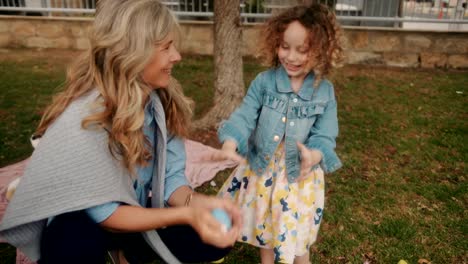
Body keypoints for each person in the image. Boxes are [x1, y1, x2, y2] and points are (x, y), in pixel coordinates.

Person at [0, 0, 242, 263]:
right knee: (70, 238)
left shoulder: (161, 105)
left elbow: (172, 180)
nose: (177, 56)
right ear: (133, 54)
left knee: (212, 239)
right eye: (166, 48)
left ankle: (127, 252)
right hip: (89, 222)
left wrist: (200, 204)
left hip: (130, 210)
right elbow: (104, 215)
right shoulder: (86, 117)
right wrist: (186, 215)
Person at [216, 4, 343, 264]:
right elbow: (245, 115)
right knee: (267, 226)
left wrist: (315, 154)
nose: (291, 57)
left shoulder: (324, 92)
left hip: (299, 174)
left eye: (302, 50)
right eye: (285, 47)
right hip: (266, 169)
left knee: (295, 233)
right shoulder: (264, 82)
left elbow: (325, 134)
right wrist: (231, 141)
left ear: (321, 51)